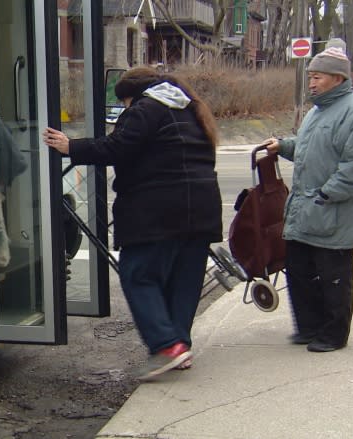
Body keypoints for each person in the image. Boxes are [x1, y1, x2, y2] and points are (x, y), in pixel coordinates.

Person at [42, 66, 222, 379]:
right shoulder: (189, 109)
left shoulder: (145, 108)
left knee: (138, 273)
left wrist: (71, 147)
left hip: (158, 210)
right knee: (184, 281)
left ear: (130, 95)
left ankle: (167, 346)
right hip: (202, 209)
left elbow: (118, 147)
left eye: (123, 103)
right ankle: (180, 346)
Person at [264, 47, 353, 352]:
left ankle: (333, 334)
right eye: (310, 77)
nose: (311, 83)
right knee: (301, 271)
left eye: (316, 77)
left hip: (333, 212)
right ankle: (309, 327)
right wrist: (284, 146)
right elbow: (310, 148)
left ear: (337, 78)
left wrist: (328, 193)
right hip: (307, 209)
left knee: (333, 279)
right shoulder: (319, 110)